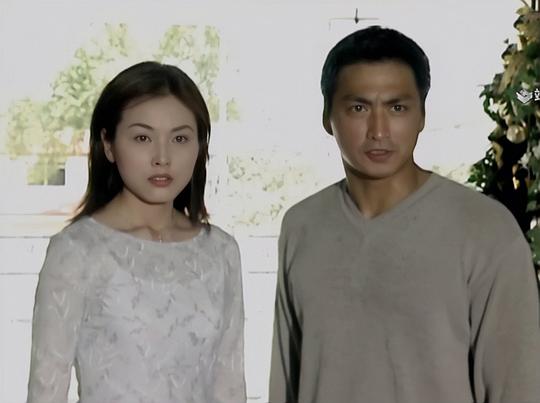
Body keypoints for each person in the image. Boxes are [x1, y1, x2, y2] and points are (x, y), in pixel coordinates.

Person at [269, 26, 540, 403]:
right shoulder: (302, 226)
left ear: (422, 116)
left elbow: (519, 388)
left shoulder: (486, 231)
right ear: (328, 117)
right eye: (359, 108)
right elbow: (286, 380)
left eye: (397, 108)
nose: (379, 131)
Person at [27, 61, 246, 403]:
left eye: (180, 138)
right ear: (109, 144)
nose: (162, 157)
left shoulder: (220, 251)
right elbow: (46, 390)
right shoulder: (77, 250)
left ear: (200, 147)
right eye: (143, 137)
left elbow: (229, 387)